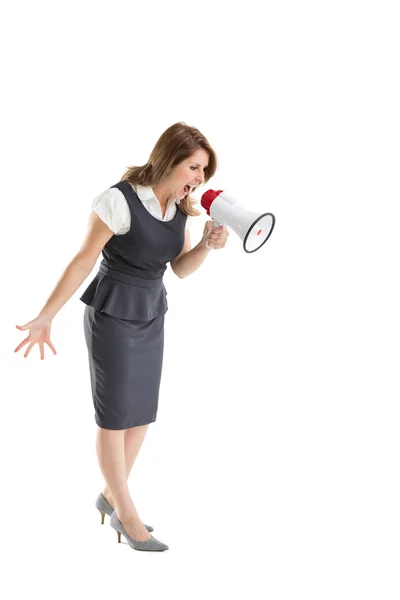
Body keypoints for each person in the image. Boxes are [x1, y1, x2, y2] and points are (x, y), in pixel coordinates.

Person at [14, 122, 229, 552]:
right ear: (169, 159)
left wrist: (206, 244)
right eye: (194, 167)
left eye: (204, 171)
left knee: (141, 415)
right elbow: (81, 261)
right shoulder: (118, 200)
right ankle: (127, 515)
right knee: (114, 417)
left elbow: (179, 270)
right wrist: (45, 316)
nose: (199, 179)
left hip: (151, 313)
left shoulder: (182, 209)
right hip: (112, 312)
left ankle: (111, 497)